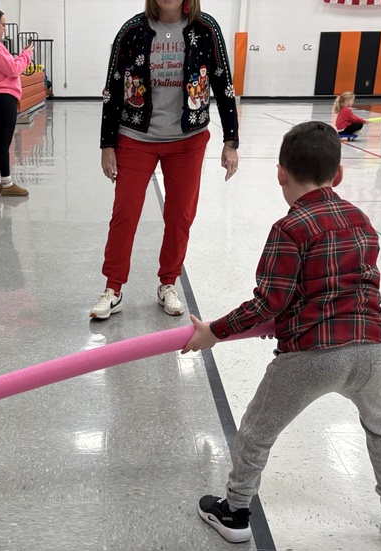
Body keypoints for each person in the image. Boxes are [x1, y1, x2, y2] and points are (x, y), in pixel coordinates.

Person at [182, 121, 381, 544]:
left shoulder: (289, 229)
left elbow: (269, 301)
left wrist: (214, 332)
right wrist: (284, 317)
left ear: (280, 173)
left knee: (257, 430)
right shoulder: (361, 218)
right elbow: (345, 283)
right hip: (372, 347)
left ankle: (236, 512)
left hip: (312, 355)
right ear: (339, 174)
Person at [90, 0, 240, 321]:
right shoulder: (132, 31)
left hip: (187, 141)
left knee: (180, 215)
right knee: (125, 213)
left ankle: (168, 283)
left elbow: (223, 85)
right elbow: (113, 88)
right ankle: (113, 287)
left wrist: (231, 141)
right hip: (135, 138)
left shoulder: (206, 30)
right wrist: (107, 144)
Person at [0, 8, 34, 197]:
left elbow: (8, 67)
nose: (4, 28)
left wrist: (20, 55)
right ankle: (7, 183)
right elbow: (13, 69)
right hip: (4, 98)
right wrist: (26, 54)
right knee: (3, 142)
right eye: (3, 24)